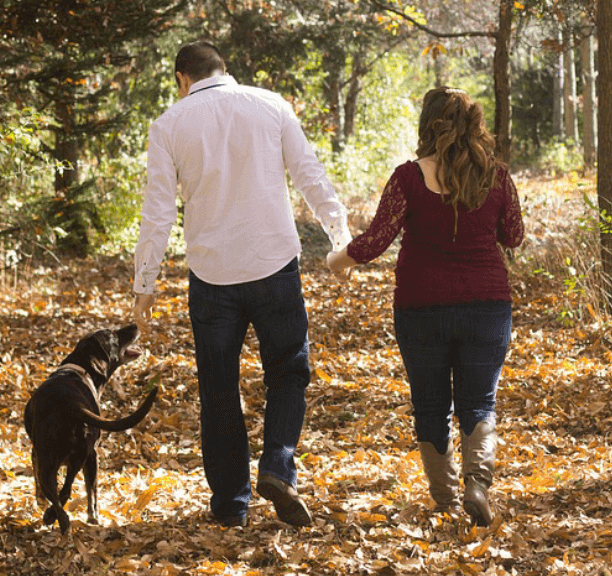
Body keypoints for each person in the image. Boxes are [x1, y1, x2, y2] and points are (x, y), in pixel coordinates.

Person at [132, 41, 351, 528]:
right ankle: (277, 465)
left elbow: (158, 211)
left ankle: (232, 506)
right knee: (289, 373)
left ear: (180, 78)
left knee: (218, 390)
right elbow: (310, 176)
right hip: (274, 265)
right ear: (223, 69)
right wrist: (342, 238)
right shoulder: (270, 105)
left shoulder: (168, 125)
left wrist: (144, 280)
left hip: (212, 277)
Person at [325, 87, 524, 526]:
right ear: (475, 125)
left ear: (427, 124)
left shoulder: (409, 178)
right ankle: (477, 483)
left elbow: (376, 240)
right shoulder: (496, 175)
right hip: (486, 306)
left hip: (422, 308)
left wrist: (336, 260)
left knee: (430, 404)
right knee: (479, 402)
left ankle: (445, 499)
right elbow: (513, 235)